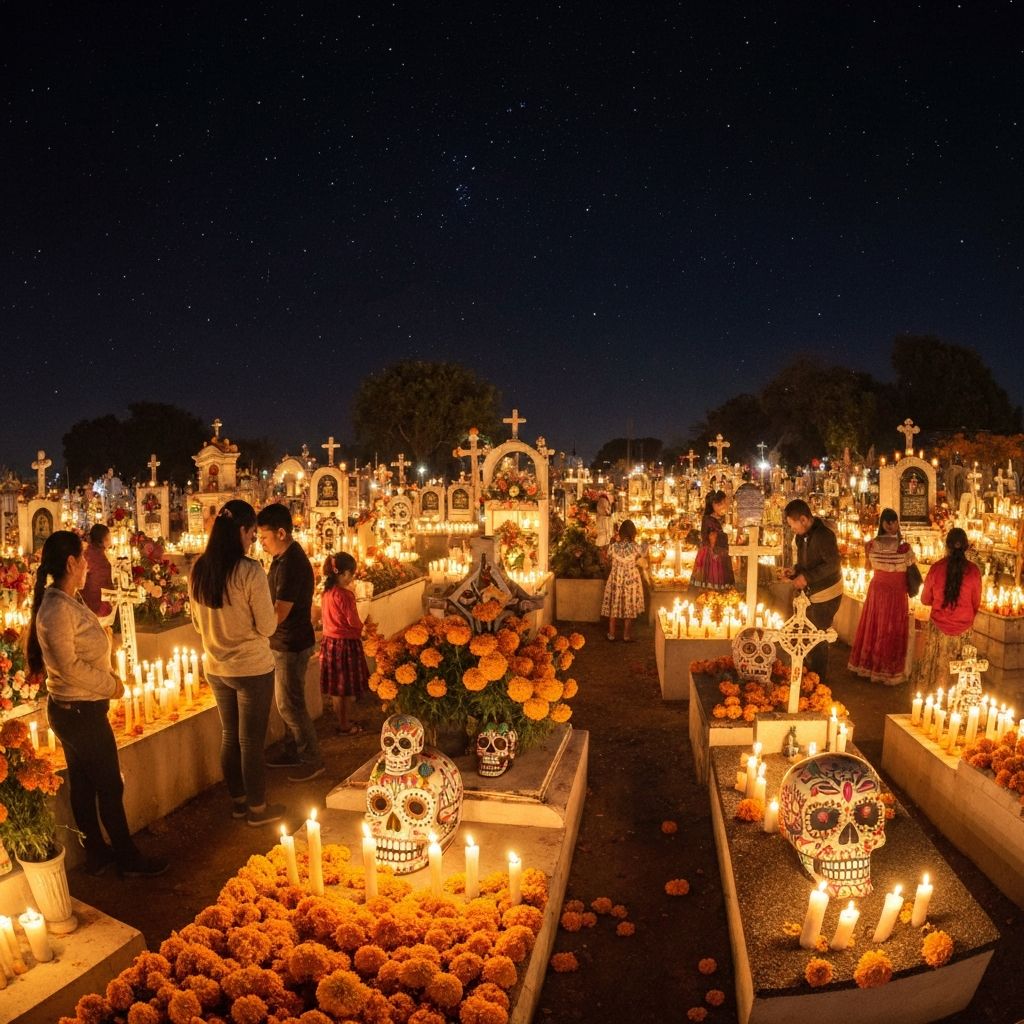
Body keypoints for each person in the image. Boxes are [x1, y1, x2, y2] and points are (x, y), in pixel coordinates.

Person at [26, 531, 168, 877]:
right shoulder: (56, 607)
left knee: (87, 783)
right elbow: (68, 667)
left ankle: (98, 854)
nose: (88, 564)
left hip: (78, 708)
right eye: (83, 558)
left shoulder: (66, 600)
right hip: (79, 710)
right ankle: (127, 857)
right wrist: (113, 686)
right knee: (108, 783)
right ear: (71, 562)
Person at [190, 500, 284, 826]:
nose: (253, 541)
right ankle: (258, 809)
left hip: (216, 667)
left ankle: (240, 801)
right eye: (252, 534)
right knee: (251, 742)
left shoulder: (200, 569)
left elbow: (198, 624)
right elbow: (268, 626)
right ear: (242, 531)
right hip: (251, 668)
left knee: (230, 735)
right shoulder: (249, 571)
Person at [256, 503, 324, 781]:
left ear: (281, 532)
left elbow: (279, 612)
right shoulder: (282, 559)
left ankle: (312, 758)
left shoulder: (292, 563)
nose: (261, 544)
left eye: (264, 538)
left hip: (291, 642)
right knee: (287, 701)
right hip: (284, 641)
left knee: (290, 704)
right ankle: (294, 749)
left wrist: (255, 628)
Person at [847, 509, 916, 685]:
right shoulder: (904, 547)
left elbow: (868, 567)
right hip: (896, 590)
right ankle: (887, 669)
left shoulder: (871, 545)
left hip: (878, 589)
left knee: (875, 624)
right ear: (887, 524)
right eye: (892, 522)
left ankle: (870, 666)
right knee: (892, 627)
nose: (893, 525)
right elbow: (910, 566)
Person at [911, 527, 981, 693]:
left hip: (939, 629)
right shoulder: (974, 571)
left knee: (936, 667)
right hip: (963, 630)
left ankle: (932, 700)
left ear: (947, 546)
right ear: (966, 547)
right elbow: (975, 604)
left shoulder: (936, 568)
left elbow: (925, 599)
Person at [783, 499, 843, 685]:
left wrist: (807, 577)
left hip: (826, 592)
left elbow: (832, 564)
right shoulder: (802, 536)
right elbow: (805, 561)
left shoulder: (824, 535)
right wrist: (796, 570)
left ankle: (818, 681)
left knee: (817, 635)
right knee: (804, 632)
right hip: (810, 591)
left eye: (793, 525)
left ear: (803, 519)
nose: (793, 529)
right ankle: (806, 675)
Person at [319, 551, 369, 735]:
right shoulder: (345, 595)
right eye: (352, 574)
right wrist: (365, 629)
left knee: (336, 689)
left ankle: (342, 720)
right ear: (345, 573)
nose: (352, 578)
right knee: (346, 688)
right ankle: (345, 725)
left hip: (329, 643)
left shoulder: (327, 593)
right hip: (346, 645)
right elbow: (353, 621)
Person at [602, 519, 645, 641]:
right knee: (629, 605)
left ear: (620, 532)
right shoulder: (636, 547)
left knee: (614, 604)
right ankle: (626, 635)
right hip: (631, 578)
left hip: (616, 577)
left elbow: (607, 558)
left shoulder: (613, 547)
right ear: (633, 532)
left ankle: (611, 634)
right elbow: (644, 555)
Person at [691, 490, 735, 591]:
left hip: (716, 550)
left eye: (724, 504)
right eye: (721, 504)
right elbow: (709, 537)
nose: (724, 507)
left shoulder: (714, 519)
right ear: (714, 504)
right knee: (712, 576)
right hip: (712, 552)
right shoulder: (708, 520)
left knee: (715, 578)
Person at [80, 523, 115, 625]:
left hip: (85, 601)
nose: (111, 540)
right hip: (98, 603)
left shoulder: (88, 552)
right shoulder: (99, 558)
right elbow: (104, 582)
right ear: (103, 540)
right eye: (109, 537)